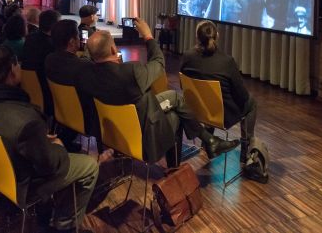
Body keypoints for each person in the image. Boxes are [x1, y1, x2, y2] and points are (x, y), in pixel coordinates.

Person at [0, 46, 98, 233]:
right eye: (18, 64)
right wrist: (58, 146)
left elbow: (5, 131)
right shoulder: (26, 120)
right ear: (12, 69)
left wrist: (38, 140)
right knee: (90, 166)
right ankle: (65, 224)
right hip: (24, 183)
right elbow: (50, 166)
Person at [82, 19, 239, 165]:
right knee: (175, 116)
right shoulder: (131, 72)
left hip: (114, 133)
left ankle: (209, 140)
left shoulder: (88, 75)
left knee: (174, 97)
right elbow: (158, 63)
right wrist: (148, 36)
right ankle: (176, 167)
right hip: (143, 133)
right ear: (112, 48)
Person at [179, 20, 258, 163]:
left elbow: (183, 85)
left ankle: (207, 142)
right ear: (217, 36)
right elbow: (242, 95)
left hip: (196, 111)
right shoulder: (227, 61)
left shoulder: (187, 56)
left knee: (208, 100)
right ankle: (246, 150)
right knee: (251, 103)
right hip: (221, 116)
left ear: (197, 37)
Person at [44, 19, 100, 148]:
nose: (80, 39)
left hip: (61, 112)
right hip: (85, 118)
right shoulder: (83, 66)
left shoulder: (49, 59)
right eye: (78, 36)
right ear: (72, 41)